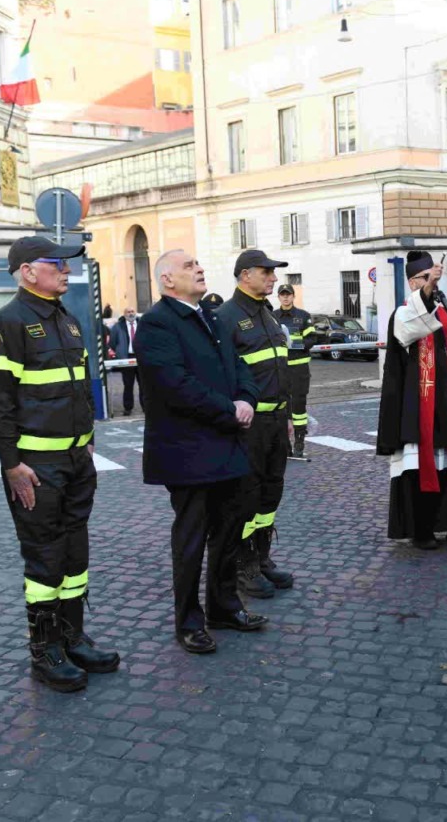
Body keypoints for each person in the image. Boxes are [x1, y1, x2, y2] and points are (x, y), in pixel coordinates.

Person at [0, 236, 120, 694]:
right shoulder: (9, 323)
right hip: (36, 466)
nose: (65, 270)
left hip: (77, 459)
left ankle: (72, 636)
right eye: (55, 263)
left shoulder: (67, 319)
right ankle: (45, 651)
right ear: (26, 271)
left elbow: (77, 392)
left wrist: (87, 448)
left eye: (67, 263)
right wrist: (11, 464)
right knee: (44, 556)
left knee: (74, 553)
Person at [135, 250, 268, 654]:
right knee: (191, 540)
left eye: (199, 263)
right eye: (189, 265)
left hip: (225, 444)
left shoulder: (210, 317)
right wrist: (229, 408)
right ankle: (189, 621)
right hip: (188, 452)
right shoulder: (157, 324)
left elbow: (240, 366)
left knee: (228, 532)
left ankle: (224, 605)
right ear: (167, 281)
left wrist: (246, 397)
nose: (199, 268)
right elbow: (175, 385)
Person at [375, 250, 447, 551]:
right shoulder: (403, 313)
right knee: (417, 469)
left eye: (432, 279)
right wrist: (427, 291)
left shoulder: (443, 313)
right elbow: (413, 326)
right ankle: (421, 529)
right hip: (418, 406)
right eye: (425, 279)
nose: (432, 284)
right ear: (412, 282)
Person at [214, 250, 295, 598]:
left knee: (270, 492)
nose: (273, 279)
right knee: (246, 498)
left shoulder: (268, 315)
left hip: (277, 419)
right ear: (245, 275)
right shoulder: (225, 317)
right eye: (267, 272)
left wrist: (289, 415)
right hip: (250, 426)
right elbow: (219, 377)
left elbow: (279, 369)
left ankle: (261, 558)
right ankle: (242, 566)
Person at [272, 283, 316, 458]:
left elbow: (312, 338)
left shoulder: (303, 316)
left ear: (293, 296)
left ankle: (299, 441)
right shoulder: (272, 316)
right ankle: (285, 443)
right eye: (282, 294)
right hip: (281, 367)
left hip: (299, 368)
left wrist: (297, 345)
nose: (285, 297)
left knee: (298, 405)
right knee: (282, 405)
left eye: (288, 294)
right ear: (279, 297)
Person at [109, 307, 143, 416]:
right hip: (126, 358)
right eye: (128, 312)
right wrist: (120, 352)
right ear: (124, 314)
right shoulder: (117, 327)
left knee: (143, 385)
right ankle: (128, 408)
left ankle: (146, 407)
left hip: (141, 358)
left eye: (132, 311)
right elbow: (112, 343)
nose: (131, 314)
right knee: (128, 385)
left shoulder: (142, 324)